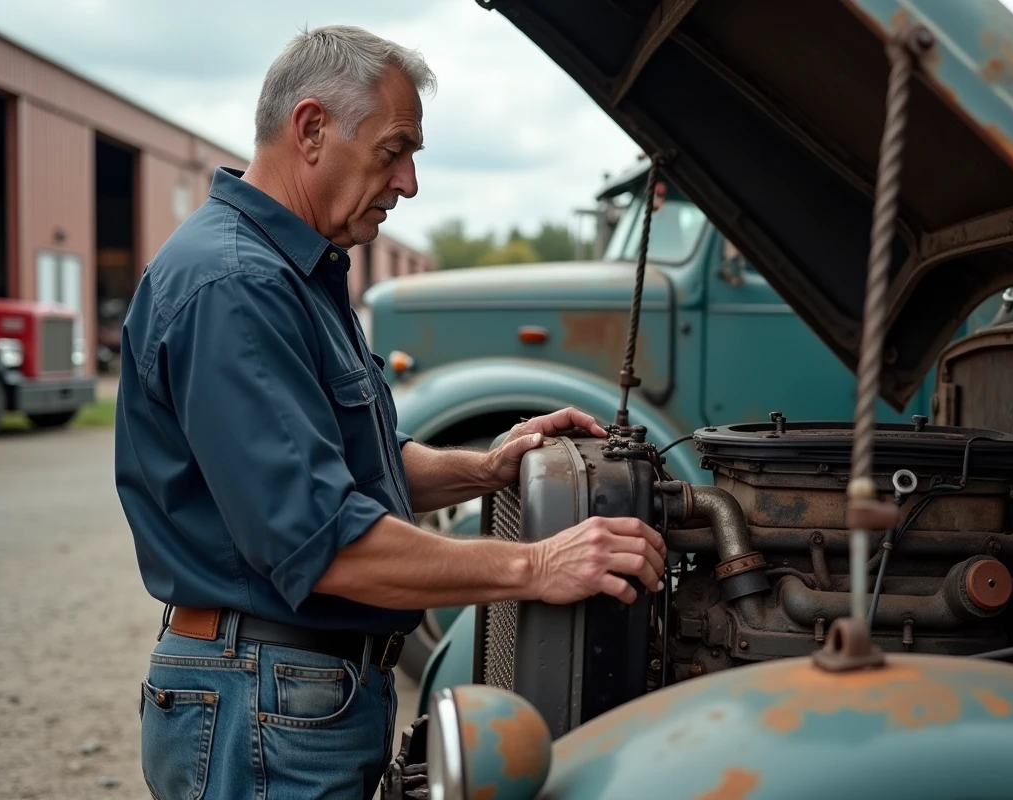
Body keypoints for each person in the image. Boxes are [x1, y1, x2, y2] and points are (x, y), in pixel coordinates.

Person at [113, 24, 666, 800]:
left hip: (295, 693)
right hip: (263, 701)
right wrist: (538, 565)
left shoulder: (292, 272)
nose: (408, 183)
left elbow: (348, 465)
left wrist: (486, 468)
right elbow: (328, 545)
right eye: (394, 149)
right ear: (311, 129)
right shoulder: (235, 287)